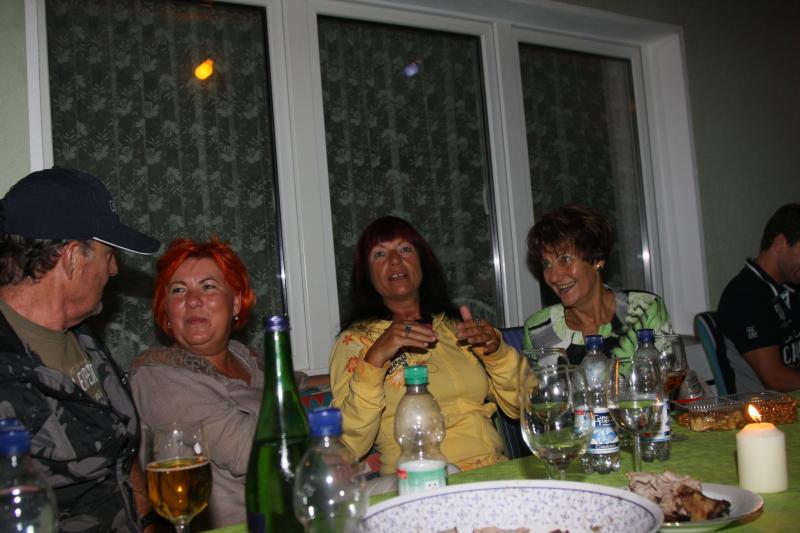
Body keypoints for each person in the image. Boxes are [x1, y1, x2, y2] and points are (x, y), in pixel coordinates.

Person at [0, 167, 160, 532]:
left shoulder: (81, 335)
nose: (114, 270)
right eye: (108, 255)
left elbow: (121, 450)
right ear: (72, 257)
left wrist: (148, 521)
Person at [329, 216, 519, 476]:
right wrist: (375, 359)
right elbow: (347, 447)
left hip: (493, 471)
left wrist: (498, 353)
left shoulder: (456, 327)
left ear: (423, 262)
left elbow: (520, 407)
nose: (395, 260)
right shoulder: (354, 341)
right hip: (419, 479)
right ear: (367, 275)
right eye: (380, 254)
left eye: (405, 249)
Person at [129, 237, 260, 529]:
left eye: (208, 286)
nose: (192, 300)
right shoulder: (156, 376)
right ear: (167, 310)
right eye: (178, 290)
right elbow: (251, 451)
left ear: (236, 302)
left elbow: (299, 387)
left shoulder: (246, 357)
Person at [523, 204, 672, 362]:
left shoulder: (644, 310)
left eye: (565, 260)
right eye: (547, 265)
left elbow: (668, 374)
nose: (554, 276)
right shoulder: (538, 329)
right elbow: (529, 379)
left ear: (597, 259)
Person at [717, 203, 800, 393]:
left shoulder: (790, 289)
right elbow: (775, 378)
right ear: (779, 243)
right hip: (765, 408)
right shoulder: (745, 295)